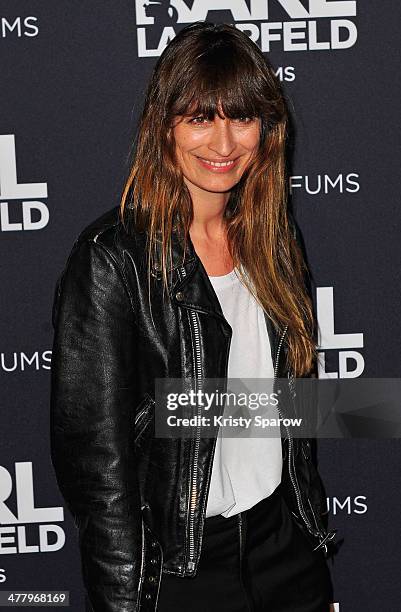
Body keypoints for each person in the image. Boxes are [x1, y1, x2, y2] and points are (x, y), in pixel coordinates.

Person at [50, 22, 337, 612]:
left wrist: (305, 527)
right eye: (201, 117)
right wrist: (122, 601)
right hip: (180, 569)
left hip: (284, 548)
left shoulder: (274, 238)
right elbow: (98, 471)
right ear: (166, 125)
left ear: (267, 128)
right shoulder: (112, 261)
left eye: (243, 117)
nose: (225, 143)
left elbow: (289, 406)